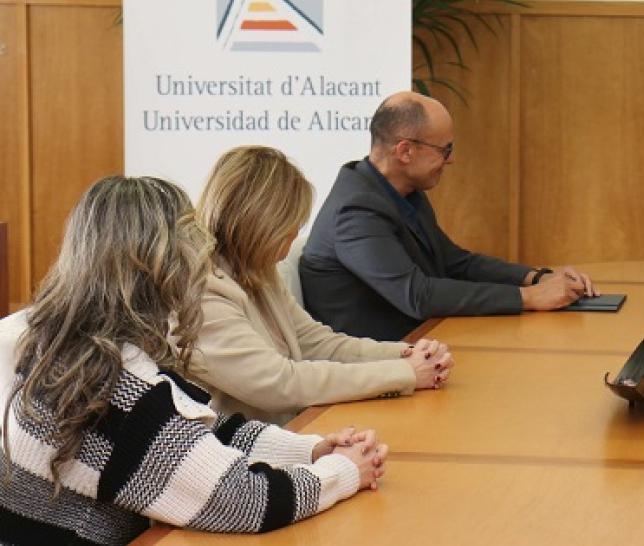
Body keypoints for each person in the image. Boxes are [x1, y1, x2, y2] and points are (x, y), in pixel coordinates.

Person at [0, 176, 387, 545]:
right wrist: (345, 471)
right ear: (165, 266)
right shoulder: (113, 384)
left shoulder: (70, 348)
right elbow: (241, 501)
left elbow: (196, 433)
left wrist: (311, 450)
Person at [301, 92, 597, 341]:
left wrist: (537, 278)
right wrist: (529, 298)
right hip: (372, 368)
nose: (451, 159)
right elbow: (417, 295)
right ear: (405, 151)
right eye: (445, 149)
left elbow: (456, 263)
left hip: (421, 346)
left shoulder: (403, 192)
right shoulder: (356, 211)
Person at [192, 146, 454, 426]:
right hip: (241, 453)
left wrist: (404, 354)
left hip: (289, 434)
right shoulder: (201, 291)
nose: (293, 236)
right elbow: (280, 384)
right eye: (289, 226)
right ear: (259, 224)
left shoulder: (255, 268)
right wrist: (404, 373)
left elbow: (317, 343)